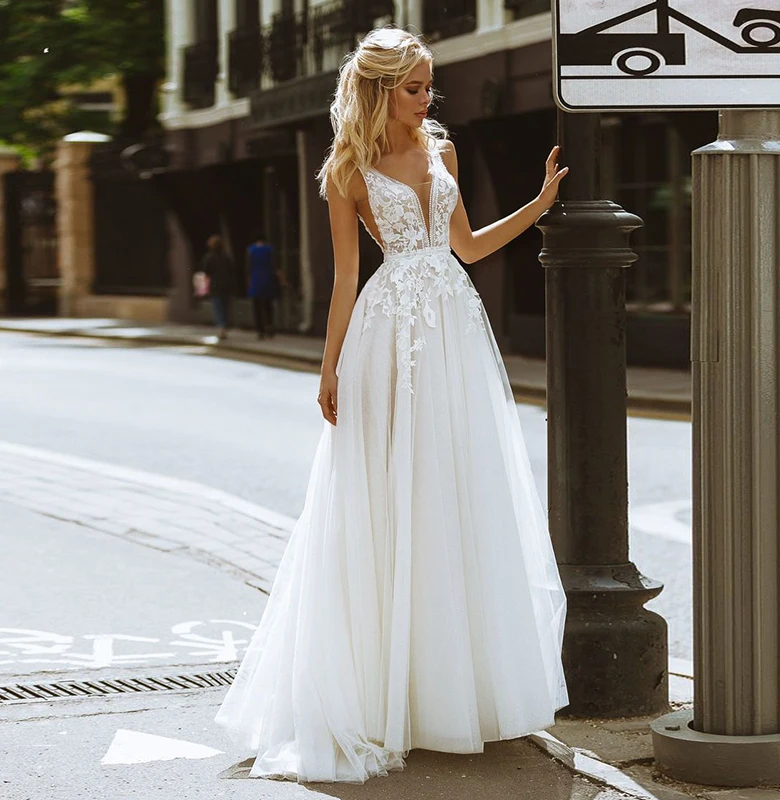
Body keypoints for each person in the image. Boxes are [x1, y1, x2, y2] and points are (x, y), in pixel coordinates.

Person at [215, 27, 570, 784]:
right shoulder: (346, 168)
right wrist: (328, 367)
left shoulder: (443, 149)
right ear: (379, 90)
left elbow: (467, 247)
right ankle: (387, 693)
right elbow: (346, 278)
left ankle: (458, 689)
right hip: (387, 334)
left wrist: (539, 205)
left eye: (429, 84)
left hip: (453, 332)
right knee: (385, 496)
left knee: (456, 489)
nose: (427, 98)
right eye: (414, 87)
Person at [200, 234, 236, 340]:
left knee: (218, 307)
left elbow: (206, 274)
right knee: (225, 307)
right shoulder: (226, 257)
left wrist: (204, 287)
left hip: (215, 285)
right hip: (226, 284)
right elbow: (232, 271)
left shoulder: (209, 258)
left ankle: (222, 328)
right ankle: (225, 325)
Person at [246, 233, 282, 339]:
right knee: (268, 305)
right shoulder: (269, 249)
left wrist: (248, 281)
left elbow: (248, 266)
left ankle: (260, 330)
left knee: (257, 306)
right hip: (268, 278)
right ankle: (270, 326)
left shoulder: (250, 250)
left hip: (255, 279)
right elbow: (275, 265)